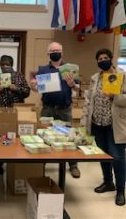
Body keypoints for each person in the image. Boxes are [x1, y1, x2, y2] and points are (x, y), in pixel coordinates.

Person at [29, 42, 81, 178]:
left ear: (62, 53)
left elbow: (78, 89)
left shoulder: (70, 69)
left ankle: (73, 165)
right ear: (48, 53)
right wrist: (33, 86)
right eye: (52, 50)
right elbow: (37, 89)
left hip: (65, 109)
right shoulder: (43, 70)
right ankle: (42, 164)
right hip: (47, 109)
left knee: (69, 138)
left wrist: (72, 85)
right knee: (43, 136)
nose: (55, 52)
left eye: (58, 50)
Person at [81, 48, 126, 206]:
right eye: (99, 59)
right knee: (103, 155)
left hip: (115, 124)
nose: (102, 60)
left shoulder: (122, 75)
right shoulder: (96, 78)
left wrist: (115, 96)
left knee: (118, 158)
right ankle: (108, 182)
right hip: (98, 123)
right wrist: (84, 121)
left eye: (105, 57)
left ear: (111, 58)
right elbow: (88, 101)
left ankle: (120, 190)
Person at [0, 55, 31, 174]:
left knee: (15, 137)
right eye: (2, 64)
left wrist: (16, 88)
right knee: (0, 137)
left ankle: (15, 160)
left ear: (12, 64)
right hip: (1, 112)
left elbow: (27, 92)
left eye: (7, 64)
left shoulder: (19, 77)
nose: (4, 66)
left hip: (15, 112)